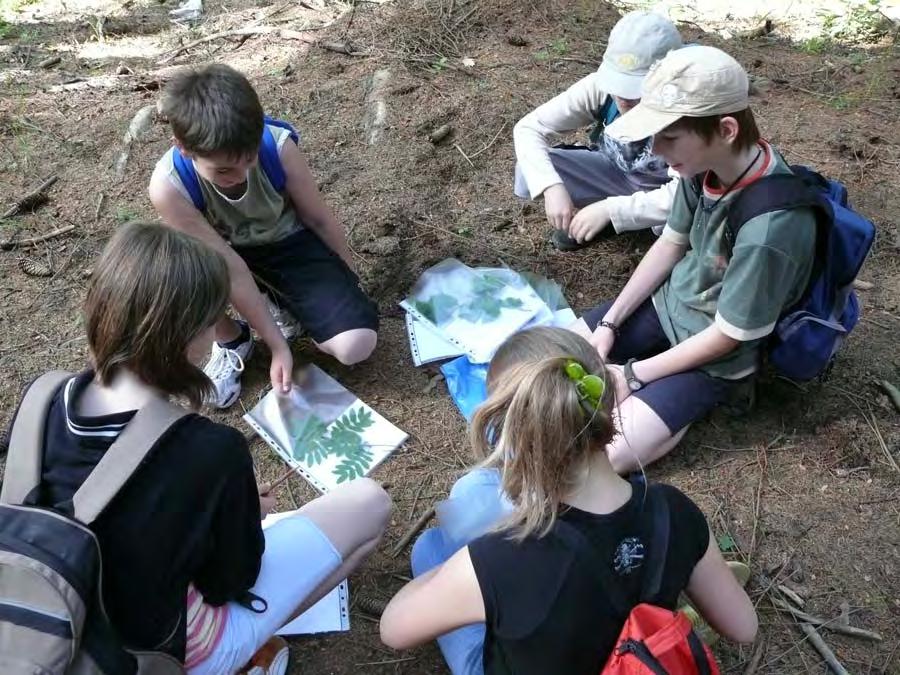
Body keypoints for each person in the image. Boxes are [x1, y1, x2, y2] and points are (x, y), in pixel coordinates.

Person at [3, 222, 391, 674]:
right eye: (214, 320)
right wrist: (242, 514)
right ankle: (240, 658)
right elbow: (229, 582)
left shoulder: (41, 397)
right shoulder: (208, 450)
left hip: (36, 627)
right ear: (188, 338)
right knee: (370, 505)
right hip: (153, 654)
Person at [380, 327, 757, 675]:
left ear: (513, 430)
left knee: (430, 547)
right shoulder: (673, 510)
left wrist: (468, 565)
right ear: (608, 402)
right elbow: (744, 627)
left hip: (516, 600)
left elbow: (393, 629)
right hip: (640, 657)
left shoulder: (502, 556)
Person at [569, 45, 817, 472]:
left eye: (668, 136)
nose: (657, 149)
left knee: (605, 456)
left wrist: (630, 376)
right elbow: (669, 245)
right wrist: (610, 323)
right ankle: (656, 401)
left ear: (725, 130)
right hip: (670, 305)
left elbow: (728, 335)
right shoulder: (700, 168)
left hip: (714, 355)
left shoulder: (772, 228)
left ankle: (681, 411)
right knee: (555, 355)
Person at [149, 63, 379, 409]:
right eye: (224, 169)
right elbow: (231, 269)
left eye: (248, 160)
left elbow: (318, 219)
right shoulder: (170, 187)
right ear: (183, 147)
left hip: (287, 244)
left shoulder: (277, 147)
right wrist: (277, 346)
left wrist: (348, 280)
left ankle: (282, 302)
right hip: (222, 256)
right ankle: (231, 338)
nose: (240, 175)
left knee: (355, 346)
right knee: (173, 270)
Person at [513, 11, 683, 251]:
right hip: (616, 173)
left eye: (636, 86)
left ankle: (620, 221)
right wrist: (551, 187)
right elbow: (529, 127)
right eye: (619, 82)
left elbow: (687, 191)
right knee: (530, 169)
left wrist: (610, 210)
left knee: (681, 228)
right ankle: (606, 217)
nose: (623, 97)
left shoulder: (688, 105)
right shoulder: (600, 89)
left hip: (666, 188)